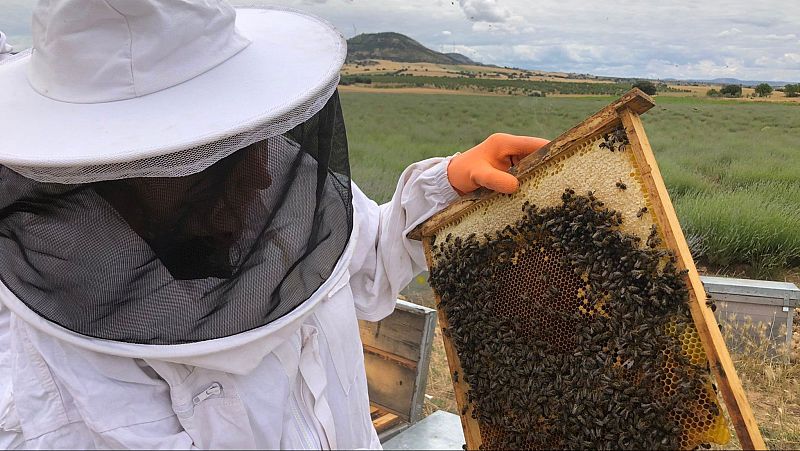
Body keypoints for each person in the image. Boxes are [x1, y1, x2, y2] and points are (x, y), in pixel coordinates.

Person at [0, 1, 548, 448]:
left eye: (252, 138)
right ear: (122, 174)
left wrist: (446, 185)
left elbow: (362, 262)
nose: (266, 176)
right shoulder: (50, 388)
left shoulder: (287, 196)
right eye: (221, 162)